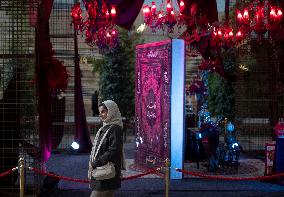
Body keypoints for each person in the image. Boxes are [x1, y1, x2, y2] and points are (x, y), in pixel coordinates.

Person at [88, 100, 124, 197]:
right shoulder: (106, 127)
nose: (101, 115)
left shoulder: (115, 129)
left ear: (111, 111)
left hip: (106, 173)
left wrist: (95, 163)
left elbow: (114, 151)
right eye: (100, 112)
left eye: (103, 111)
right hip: (103, 171)